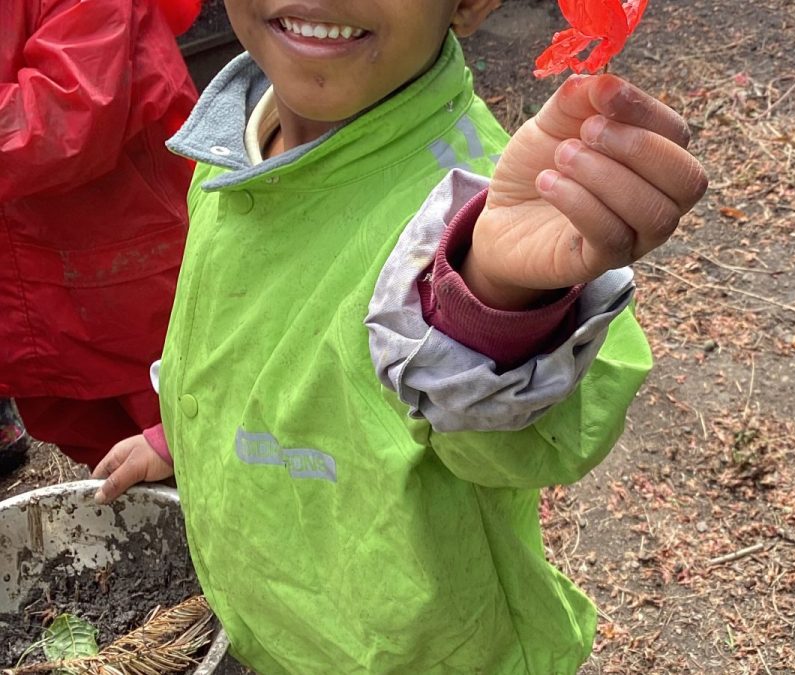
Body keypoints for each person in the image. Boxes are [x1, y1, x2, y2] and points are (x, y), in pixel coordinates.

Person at [91, 0, 708, 672]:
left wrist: (494, 295)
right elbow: (244, 326)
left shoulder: (490, 205)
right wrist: (183, 428)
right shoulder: (231, 143)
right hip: (277, 626)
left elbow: (542, 435)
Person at [0, 0, 200, 470]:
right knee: (115, 476)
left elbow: (72, 108)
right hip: (33, 313)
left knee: (201, 439)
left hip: (128, 284)